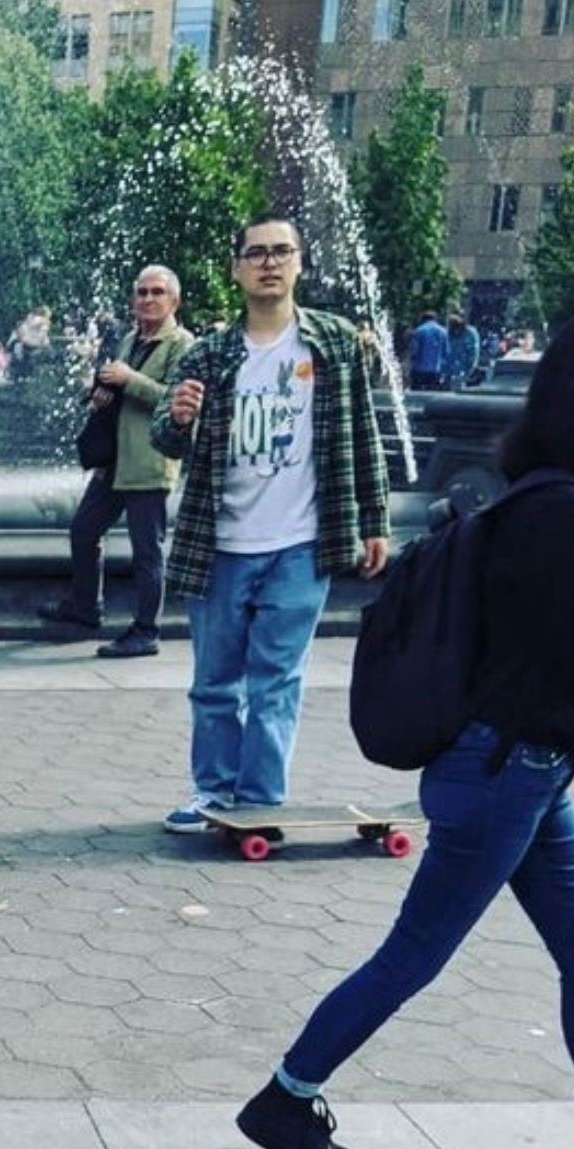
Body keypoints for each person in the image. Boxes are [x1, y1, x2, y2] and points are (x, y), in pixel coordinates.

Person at [235, 320, 574, 1149]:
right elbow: (543, 669)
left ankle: (287, 1093)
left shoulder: (536, 494)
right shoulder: (557, 515)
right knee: (414, 953)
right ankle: (285, 1095)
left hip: (524, 772)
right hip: (507, 772)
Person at [150, 214, 390, 831]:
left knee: (277, 681)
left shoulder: (333, 343)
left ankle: (258, 801)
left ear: (299, 263)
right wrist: (177, 417)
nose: (270, 262)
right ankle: (212, 793)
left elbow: (365, 434)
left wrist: (375, 519)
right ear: (237, 269)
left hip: (301, 544)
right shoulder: (210, 351)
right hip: (221, 542)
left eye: (282, 251)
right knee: (214, 683)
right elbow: (165, 439)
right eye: (256, 253)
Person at [37, 263, 193, 658]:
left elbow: (178, 400)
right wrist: (101, 393)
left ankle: (146, 630)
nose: (148, 299)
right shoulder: (129, 339)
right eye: (142, 292)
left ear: (174, 299)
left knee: (147, 551)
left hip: (150, 461)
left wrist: (128, 380)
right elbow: (119, 389)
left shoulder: (183, 344)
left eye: (157, 292)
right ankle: (86, 606)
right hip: (114, 462)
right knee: (84, 531)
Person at [406, 308, 449, 392]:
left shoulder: (419, 331)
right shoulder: (443, 332)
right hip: (436, 370)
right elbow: (446, 352)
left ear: (422, 319)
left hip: (419, 370)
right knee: (432, 394)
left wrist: (409, 364)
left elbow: (414, 351)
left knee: (416, 394)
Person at [444, 309, 479, 391]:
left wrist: (468, 372)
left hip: (461, 372)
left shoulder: (470, 332)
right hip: (446, 372)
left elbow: (473, 354)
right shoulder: (447, 332)